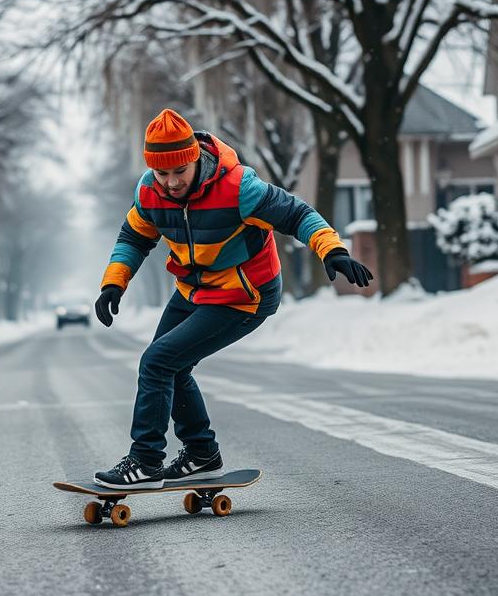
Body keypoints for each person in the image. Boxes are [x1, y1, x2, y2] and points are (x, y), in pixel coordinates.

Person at [92, 108, 373, 489]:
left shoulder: (239, 188)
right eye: (162, 173)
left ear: (195, 158)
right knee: (171, 365)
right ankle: (202, 454)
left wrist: (332, 250)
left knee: (157, 361)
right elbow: (134, 238)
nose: (171, 183)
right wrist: (114, 283)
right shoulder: (148, 192)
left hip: (244, 296)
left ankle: (145, 461)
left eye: (179, 172)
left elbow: (297, 215)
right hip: (195, 289)